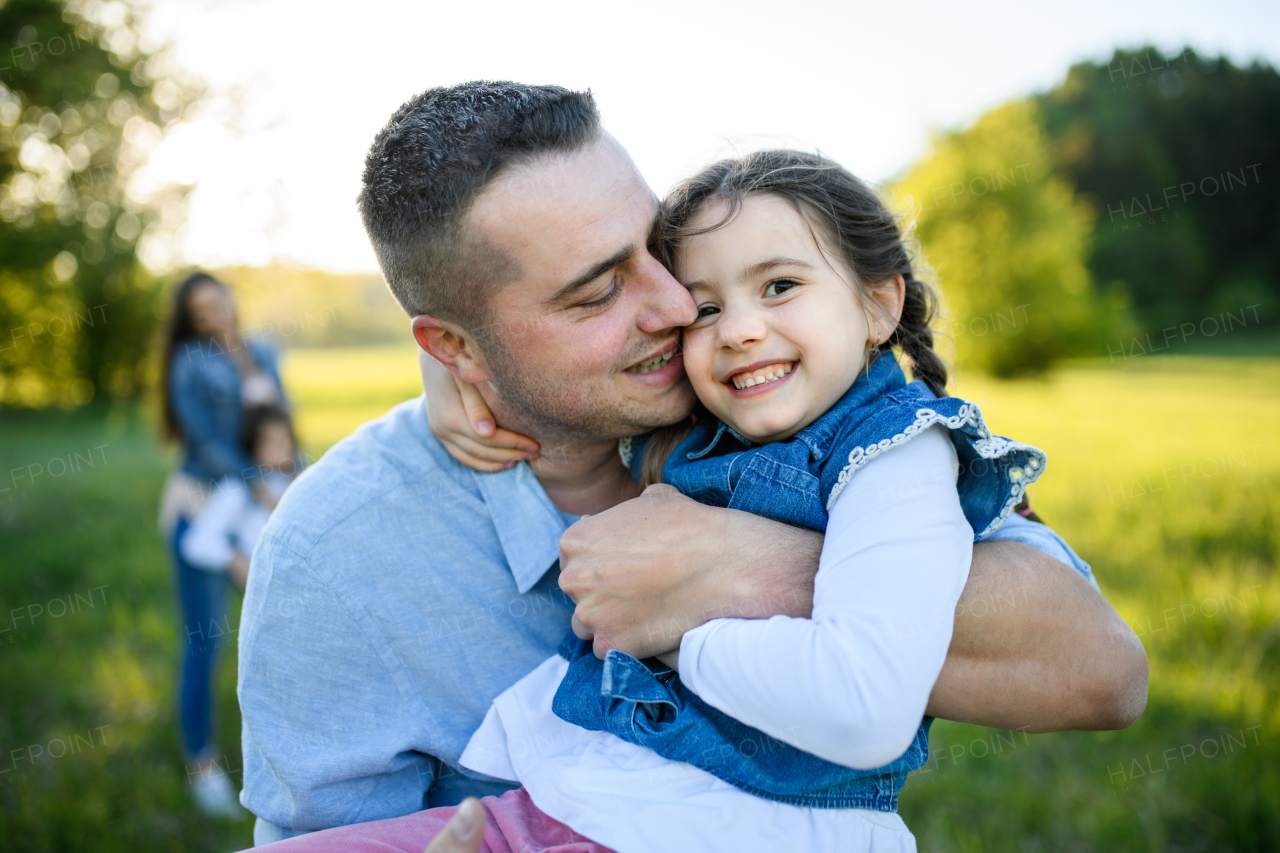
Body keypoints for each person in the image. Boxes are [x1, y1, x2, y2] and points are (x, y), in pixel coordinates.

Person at [237, 82, 1146, 847]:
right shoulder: (338, 560)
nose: (680, 306)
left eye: (656, 249)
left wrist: (742, 570)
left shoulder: (781, 422)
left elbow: (1105, 671)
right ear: (454, 348)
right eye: (600, 290)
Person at [157, 272, 285, 818]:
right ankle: (202, 767)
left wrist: (288, 480)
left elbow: (281, 425)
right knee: (204, 643)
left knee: (273, 636)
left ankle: (281, 758)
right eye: (200, 308)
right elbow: (205, 440)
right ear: (189, 318)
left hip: (256, 510)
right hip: (203, 506)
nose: (214, 313)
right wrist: (255, 480)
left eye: (218, 301)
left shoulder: (261, 352)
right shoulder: (189, 361)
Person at [180, 404, 300, 591]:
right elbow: (196, 543)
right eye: (268, 442)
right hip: (264, 590)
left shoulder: (297, 484)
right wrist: (233, 559)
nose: (278, 449)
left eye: (283, 441)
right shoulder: (237, 489)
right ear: (252, 444)